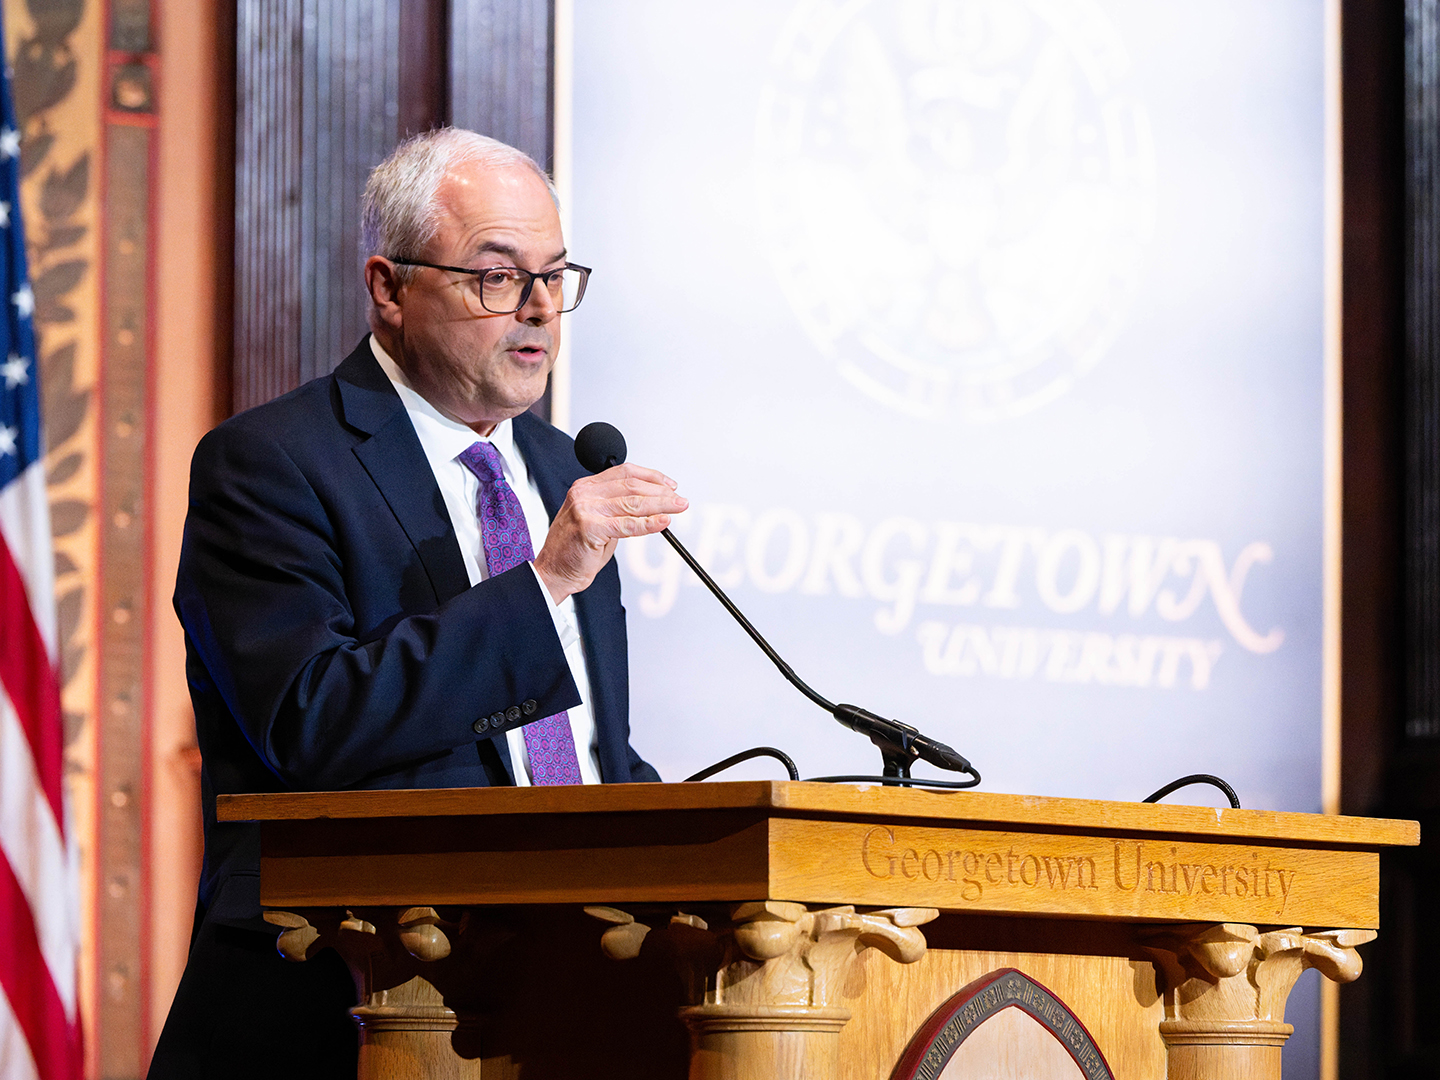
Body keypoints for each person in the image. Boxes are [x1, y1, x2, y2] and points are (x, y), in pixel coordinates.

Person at [147, 128, 687, 1078]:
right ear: (389, 288)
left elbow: (579, 754)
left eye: (555, 276)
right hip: (341, 1001)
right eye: (496, 276)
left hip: (563, 1002)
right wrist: (545, 583)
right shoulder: (271, 464)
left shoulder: (566, 466)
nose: (538, 310)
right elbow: (310, 723)